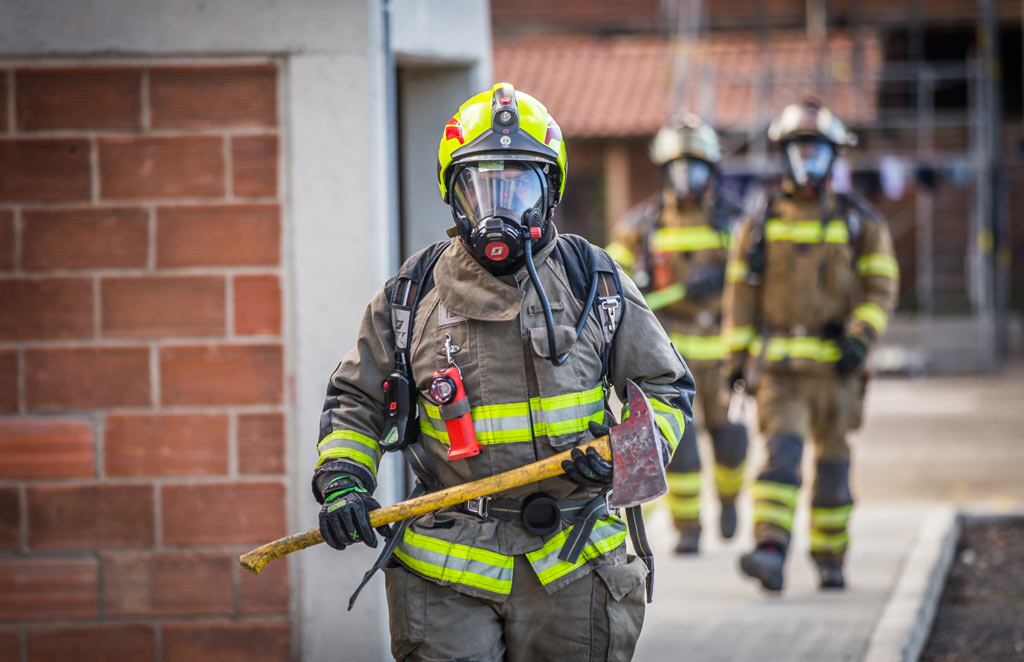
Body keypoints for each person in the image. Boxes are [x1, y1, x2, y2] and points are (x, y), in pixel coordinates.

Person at [312, 83, 695, 661]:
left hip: (573, 559)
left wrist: (624, 455)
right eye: (480, 187)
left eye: (517, 187)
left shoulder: (595, 281)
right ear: (453, 195)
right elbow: (353, 402)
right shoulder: (411, 295)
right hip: (446, 570)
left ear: (550, 193)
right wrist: (344, 480)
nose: (499, 209)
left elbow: (667, 390)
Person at [723, 98, 899, 592]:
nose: (808, 163)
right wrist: (736, 361)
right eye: (800, 153)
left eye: (818, 153)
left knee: (833, 471)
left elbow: (882, 288)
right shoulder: (759, 225)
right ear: (785, 157)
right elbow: (740, 297)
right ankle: (770, 551)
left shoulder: (860, 223)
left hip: (839, 375)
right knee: (781, 455)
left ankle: (830, 558)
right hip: (781, 372)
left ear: (833, 158)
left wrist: (861, 338)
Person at [606, 114, 748, 555]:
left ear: (711, 169)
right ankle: (688, 529)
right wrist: (646, 288)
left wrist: (726, 279)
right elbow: (611, 279)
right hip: (671, 356)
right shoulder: (641, 227)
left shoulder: (733, 223)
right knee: (681, 446)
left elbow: (756, 281)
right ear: (664, 171)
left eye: (696, 166)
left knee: (731, 443)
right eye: (678, 167)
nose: (687, 176)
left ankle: (728, 499)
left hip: (724, 355)